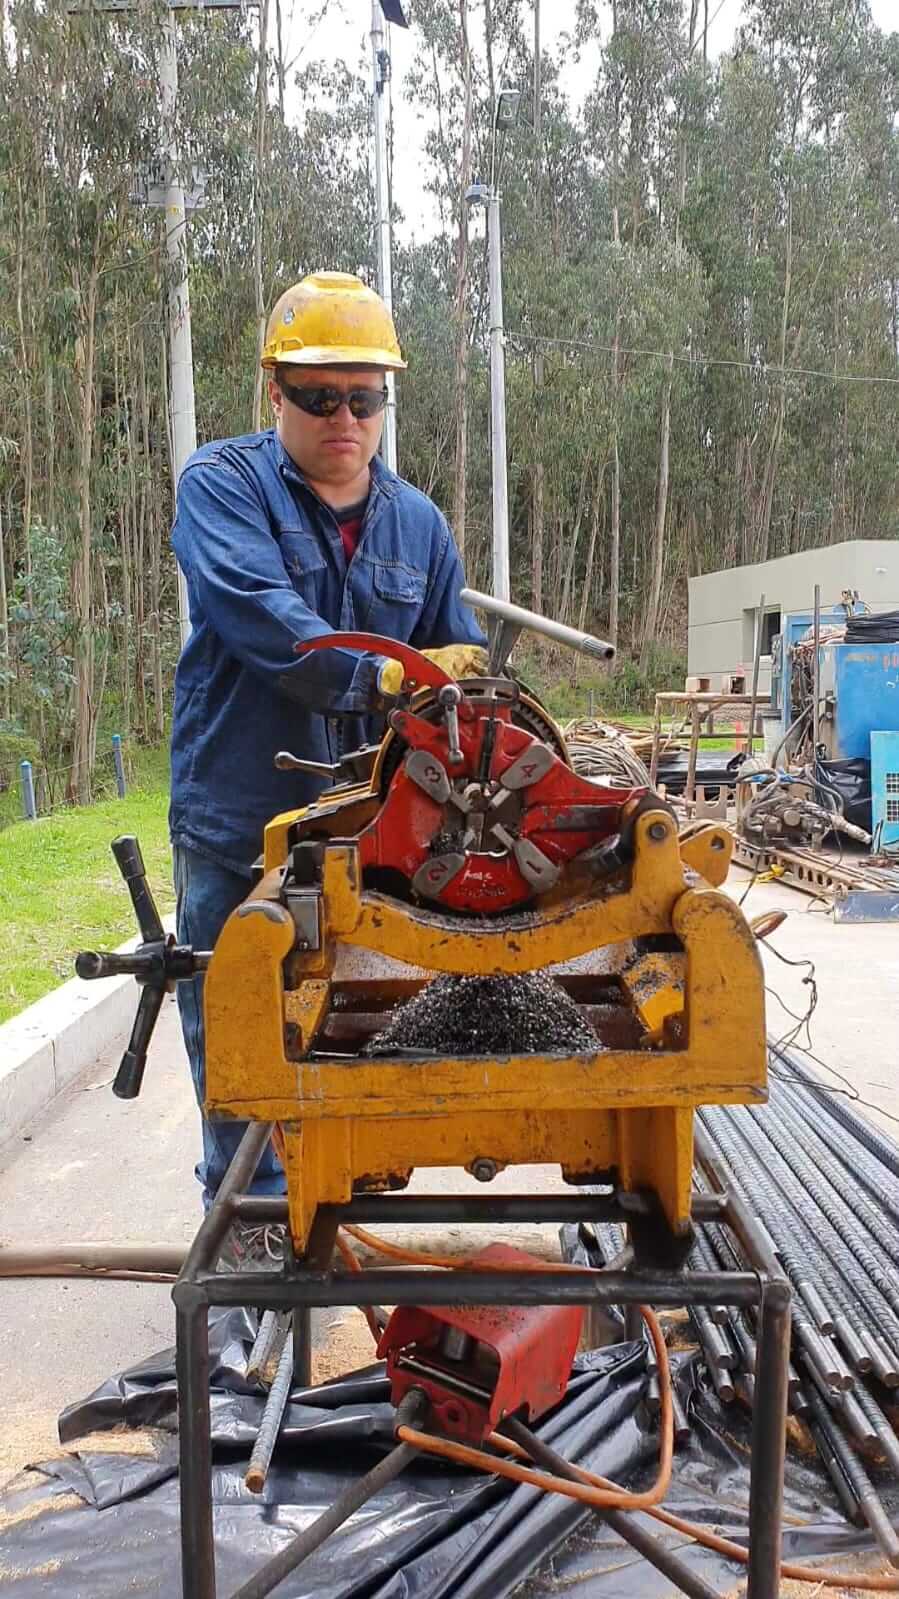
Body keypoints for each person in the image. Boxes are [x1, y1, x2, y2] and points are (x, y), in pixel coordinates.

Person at [168, 271, 486, 1262]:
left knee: (352, 1013)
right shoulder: (219, 487)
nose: (342, 417)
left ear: (384, 399)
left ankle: (338, 1187)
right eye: (317, 396)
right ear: (276, 391)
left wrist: (467, 679)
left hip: (365, 827)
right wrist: (392, 678)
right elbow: (274, 630)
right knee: (238, 1010)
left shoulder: (417, 526)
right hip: (239, 810)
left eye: (362, 396)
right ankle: (252, 1221)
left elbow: (455, 654)